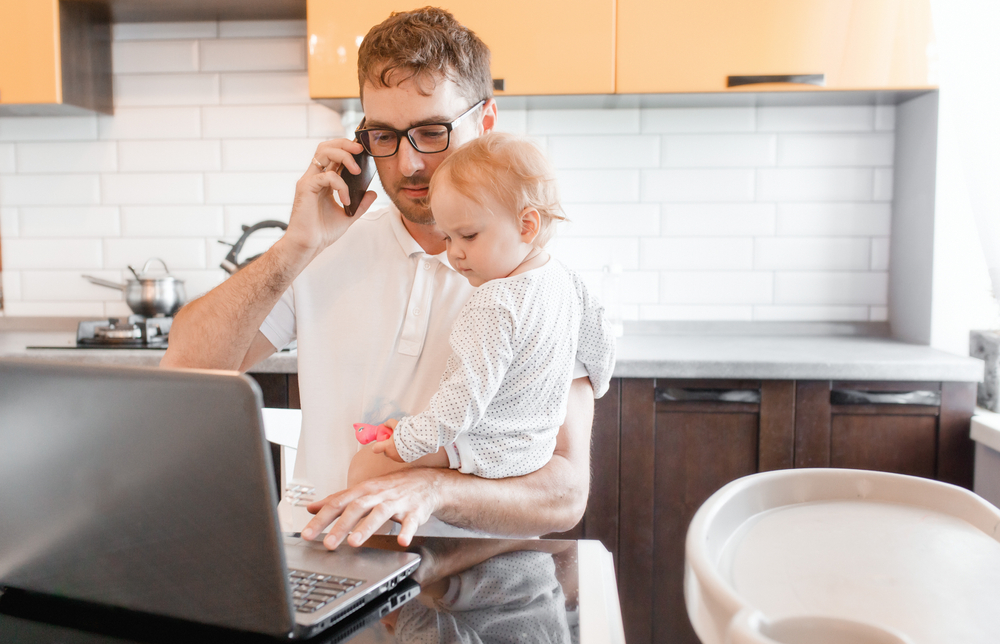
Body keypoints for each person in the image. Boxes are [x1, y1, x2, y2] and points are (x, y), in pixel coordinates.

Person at [160, 7, 596, 550]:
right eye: (383, 136)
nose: (409, 163)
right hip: (320, 558)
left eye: (432, 132)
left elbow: (565, 493)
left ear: (485, 122)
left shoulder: (545, 283)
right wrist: (295, 248)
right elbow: (185, 369)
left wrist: (431, 489)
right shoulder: (322, 250)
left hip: (474, 578)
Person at [365, 132, 615, 480]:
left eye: (468, 236)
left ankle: (360, 537)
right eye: (448, 238)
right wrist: (600, 387)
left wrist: (408, 438)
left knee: (368, 464)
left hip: (490, 449)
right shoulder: (566, 279)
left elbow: (462, 401)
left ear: (527, 225)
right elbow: (600, 346)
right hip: (536, 449)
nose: (455, 252)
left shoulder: (493, 302)